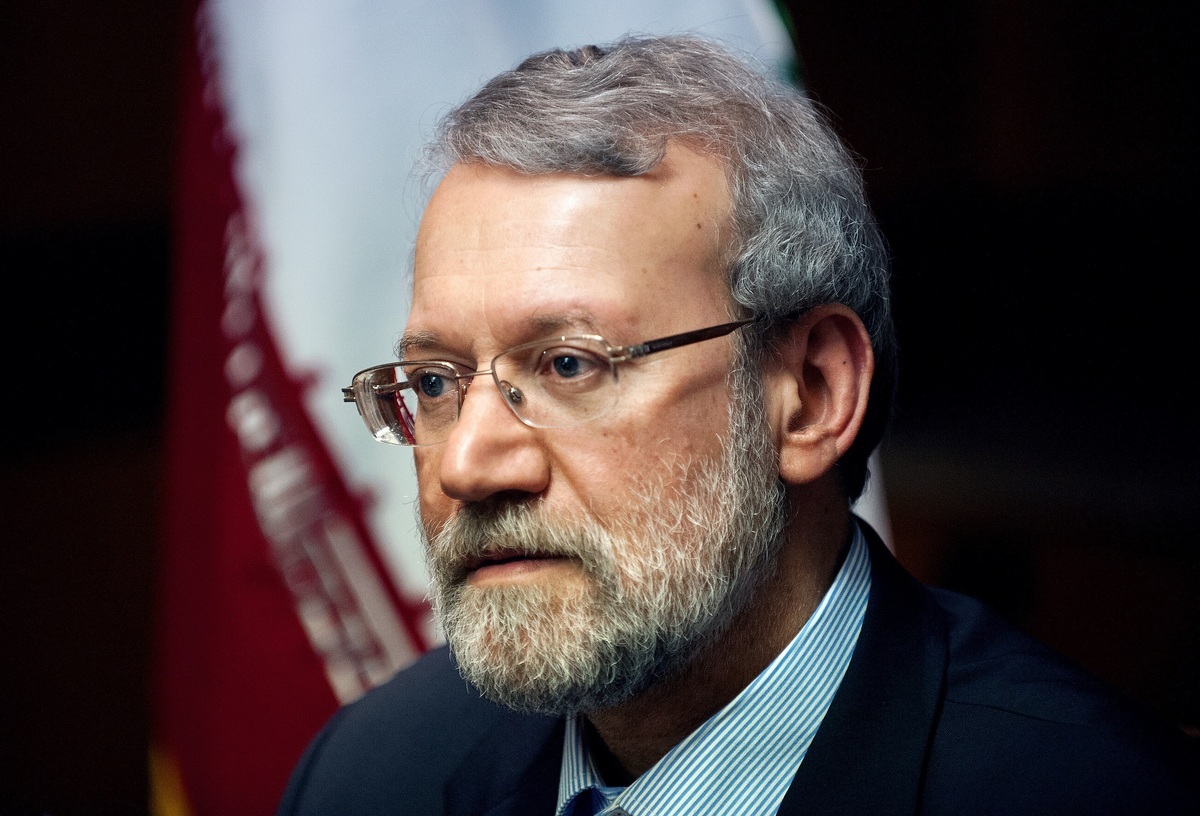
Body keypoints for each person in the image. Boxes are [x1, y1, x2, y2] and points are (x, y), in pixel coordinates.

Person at [278, 34, 1198, 815]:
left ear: (811, 394)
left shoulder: (1096, 792)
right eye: (435, 383)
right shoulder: (367, 776)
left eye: (569, 365)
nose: (470, 465)